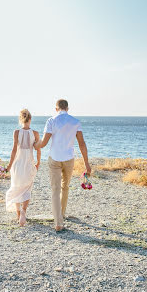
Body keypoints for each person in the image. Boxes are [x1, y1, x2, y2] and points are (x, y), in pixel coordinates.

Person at [34, 99, 91, 231]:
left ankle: (58, 222)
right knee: (65, 187)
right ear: (68, 108)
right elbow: (82, 144)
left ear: (56, 108)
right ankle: (62, 214)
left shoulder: (51, 121)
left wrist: (34, 145)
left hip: (54, 158)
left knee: (55, 189)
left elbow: (44, 143)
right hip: (69, 159)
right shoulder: (75, 122)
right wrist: (86, 164)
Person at [5, 109, 41, 226]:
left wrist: (9, 166)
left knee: (16, 188)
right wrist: (38, 163)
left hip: (17, 164)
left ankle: (18, 215)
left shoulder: (16, 132)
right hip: (29, 164)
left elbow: (14, 150)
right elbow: (38, 149)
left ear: (20, 119)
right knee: (27, 188)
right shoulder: (35, 133)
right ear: (30, 119)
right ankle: (24, 212)